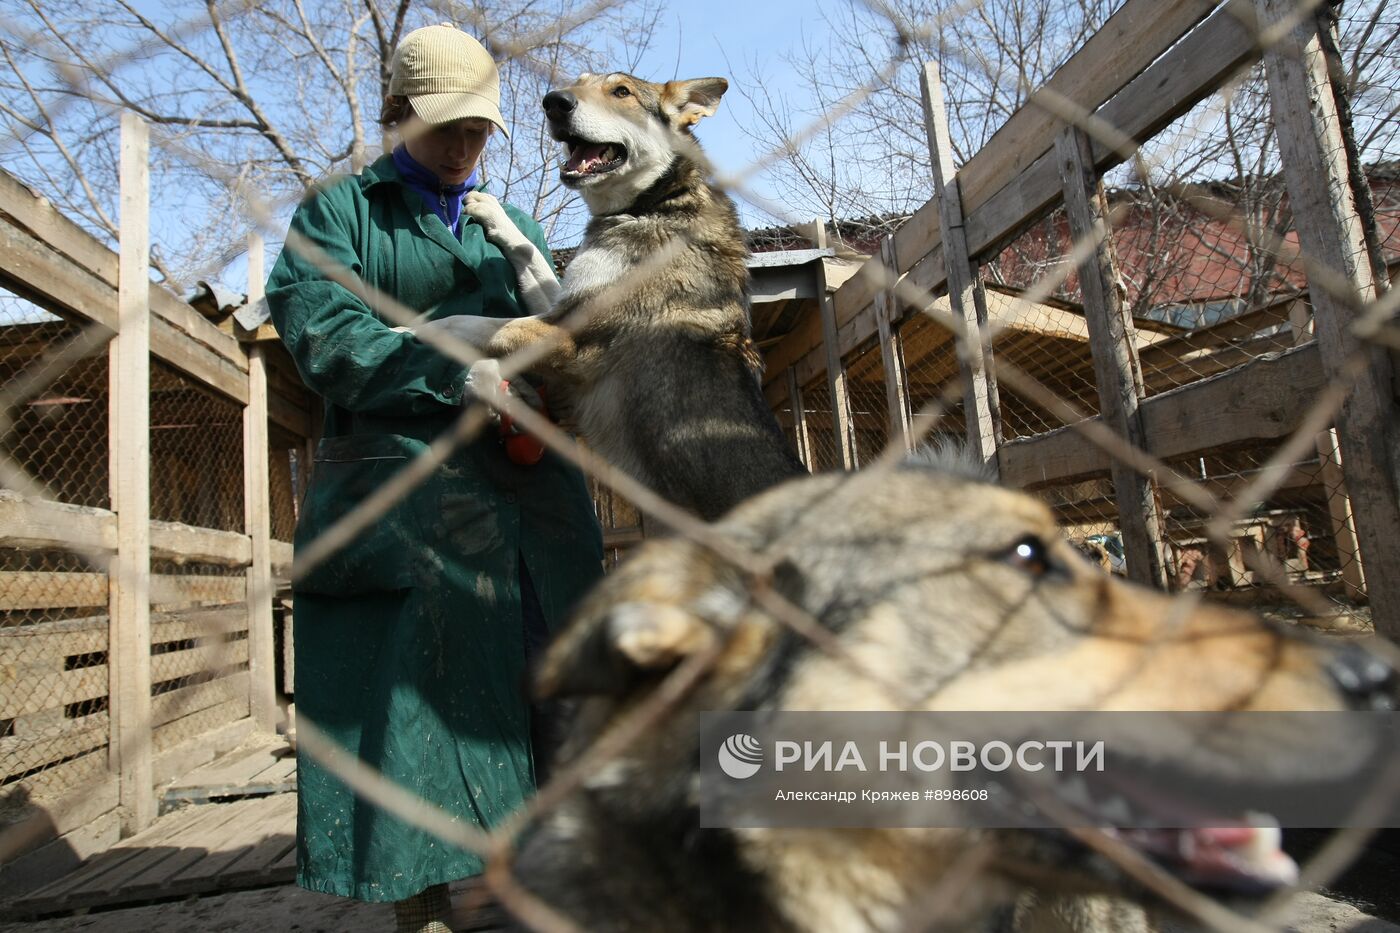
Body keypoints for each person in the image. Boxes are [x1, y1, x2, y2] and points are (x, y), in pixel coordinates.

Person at [265, 24, 604, 933]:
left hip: (527, 510)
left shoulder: (512, 227)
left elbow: (564, 344)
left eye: (479, 132)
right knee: (412, 727)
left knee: (550, 705)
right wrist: (448, 363)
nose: (463, 148)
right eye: (446, 128)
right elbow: (325, 337)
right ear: (401, 115)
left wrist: (552, 374)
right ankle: (422, 908)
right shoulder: (339, 216)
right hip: (405, 507)